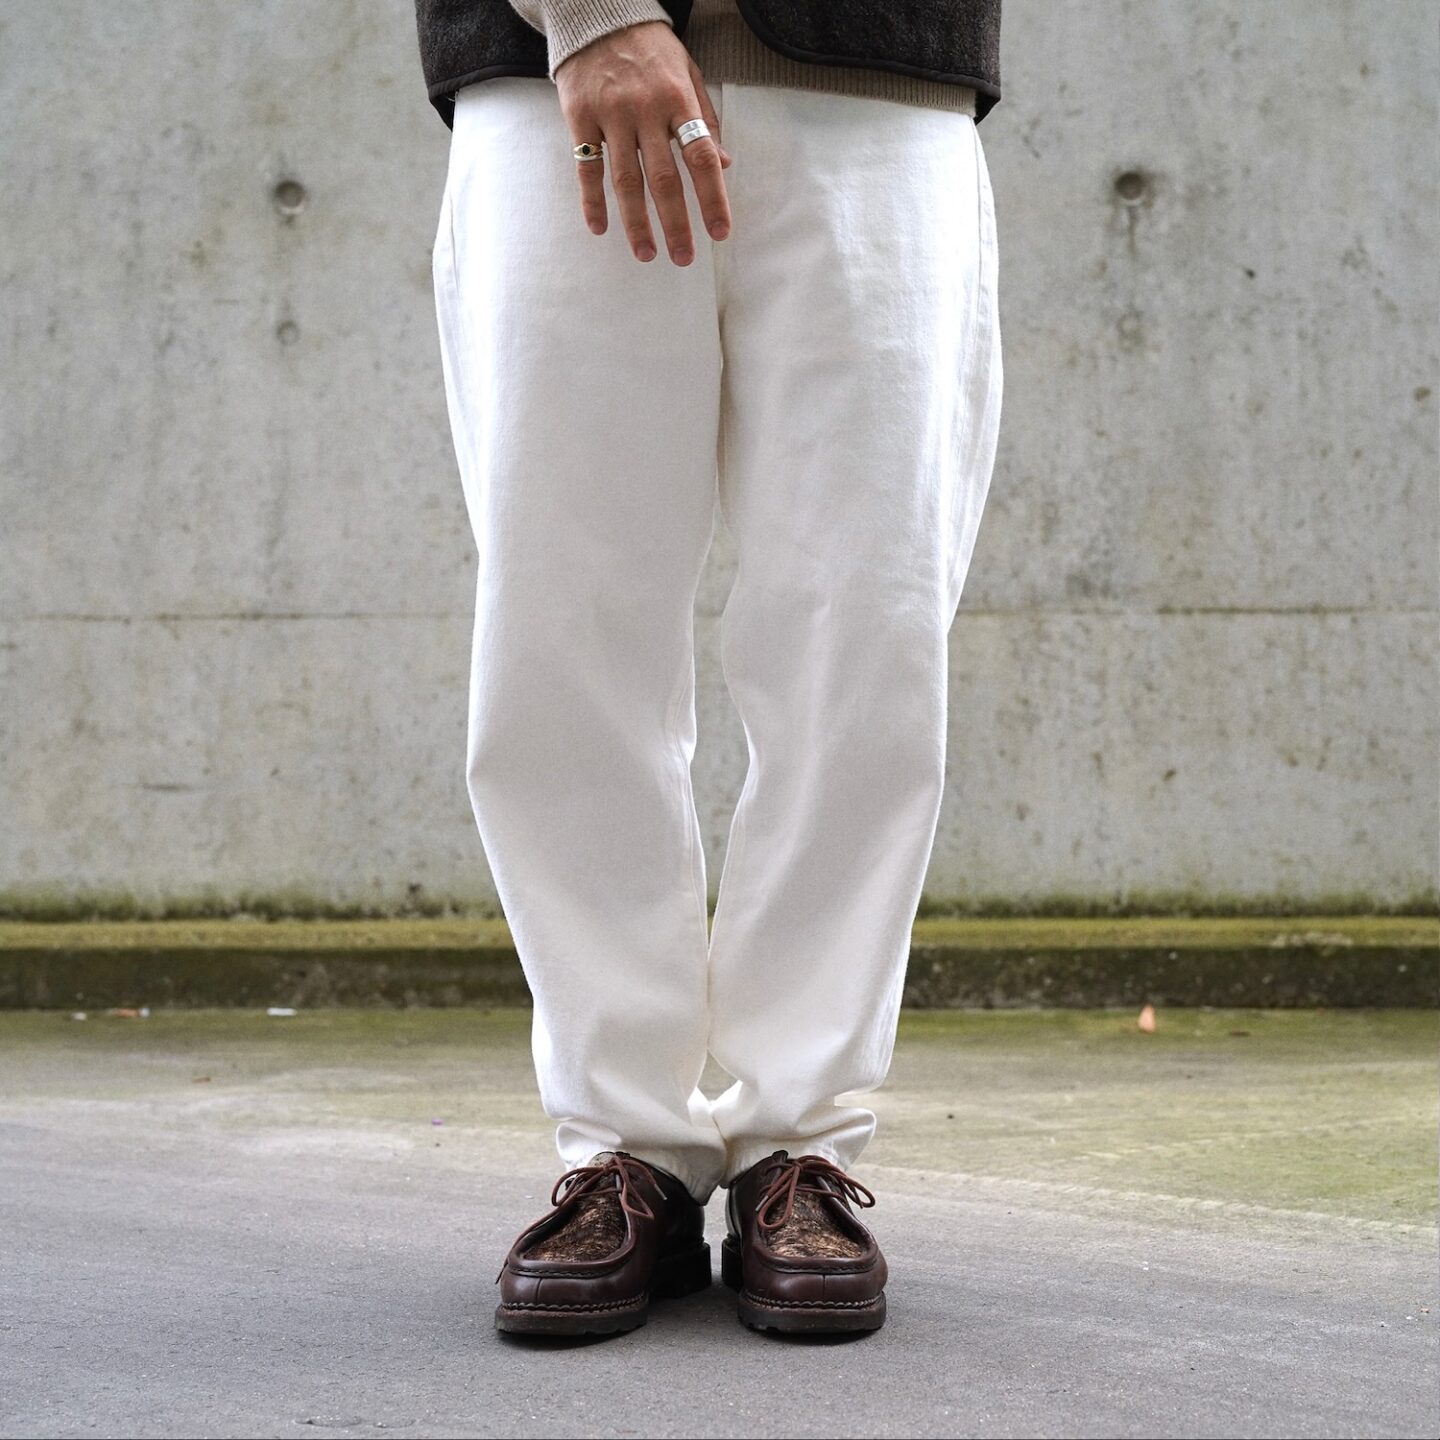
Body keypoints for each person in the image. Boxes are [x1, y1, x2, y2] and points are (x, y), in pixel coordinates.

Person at [413, 0, 1003, 1337]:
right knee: (563, 632)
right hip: (546, 79)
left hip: (880, 75)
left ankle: (804, 1140)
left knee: (868, 629)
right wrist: (589, 12)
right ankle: (621, 1148)